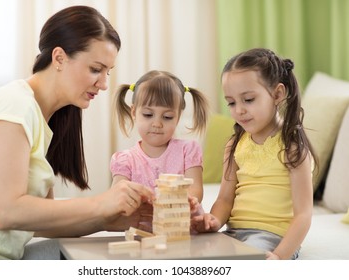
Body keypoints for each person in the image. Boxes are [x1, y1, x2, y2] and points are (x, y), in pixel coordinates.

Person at [0, 5, 154, 260]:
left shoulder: (45, 118)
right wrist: (101, 203)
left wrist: (115, 220)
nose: (104, 84)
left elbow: (43, 223)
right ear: (59, 58)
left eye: (108, 72)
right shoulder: (14, 106)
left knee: (102, 255)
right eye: (96, 69)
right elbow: (6, 212)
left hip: (2, 255)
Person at [191, 48, 318, 260]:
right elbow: (224, 199)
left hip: (271, 237)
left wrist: (279, 256)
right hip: (232, 233)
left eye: (248, 100)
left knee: (246, 261)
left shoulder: (292, 148)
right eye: (231, 102)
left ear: (277, 94)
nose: (238, 110)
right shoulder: (235, 144)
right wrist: (214, 220)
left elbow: (303, 215)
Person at [110, 70, 209, 206]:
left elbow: (196, 191)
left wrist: (171, 201)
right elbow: (117, 198)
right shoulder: (125, 160)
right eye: (148, 114)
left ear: (178, 117)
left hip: (178, 224)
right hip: (140, 226)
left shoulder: (188, 150)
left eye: (167, 117)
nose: (157, 124)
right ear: (133, 112)